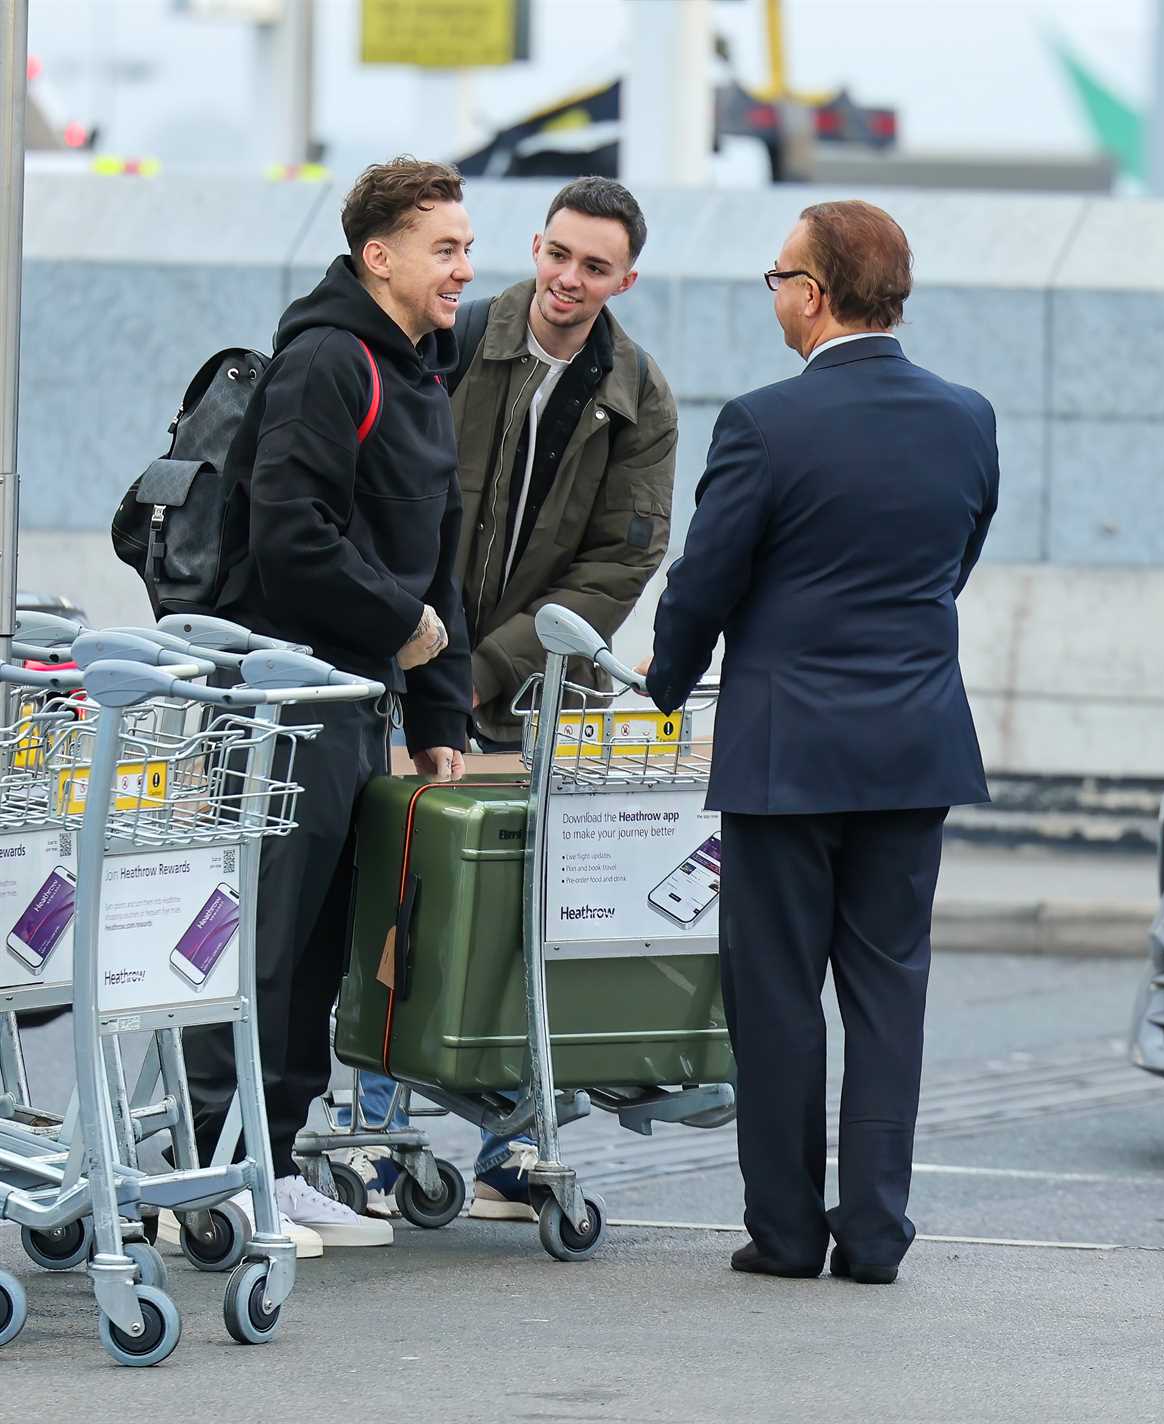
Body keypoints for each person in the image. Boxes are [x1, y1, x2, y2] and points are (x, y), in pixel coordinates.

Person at [644, 200, 999, 1281]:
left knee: (776, 994)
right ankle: (877, 1234)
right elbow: (953, 558)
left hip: (783, 754)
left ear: (815, 292)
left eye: (778, 276)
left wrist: (664, 681)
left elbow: (706, 576)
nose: (775, 295)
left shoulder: (761, 422)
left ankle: (789, 1232)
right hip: (912, 747)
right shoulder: (965, 416)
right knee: (888, 995)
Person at [345, 177, 678, 1223]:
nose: (567, 282)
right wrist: (422, 652)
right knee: (394, 901)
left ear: (625, 278)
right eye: (557, 256)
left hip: (530, 684)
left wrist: (480, 664)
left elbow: (617, 568)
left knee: (526, 917)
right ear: (534, 246)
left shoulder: (641, 397)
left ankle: (507, 1145)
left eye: (594, 268)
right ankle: (372, 1132)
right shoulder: (452, 336)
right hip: (410, 658)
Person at [176, 157, 475, 1255]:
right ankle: (205, 1169)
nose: (463, 267)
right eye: (444, 247)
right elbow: (291, 536)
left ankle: (269, 1153)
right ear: (378, 255)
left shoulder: (421, 374)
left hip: (354, 698)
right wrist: (403, 627)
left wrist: (440, 716)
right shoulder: (326, 362)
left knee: (315, 949)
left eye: (466, 246)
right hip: (277, 699)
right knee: (257, 938)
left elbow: (436, 558)